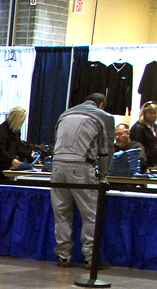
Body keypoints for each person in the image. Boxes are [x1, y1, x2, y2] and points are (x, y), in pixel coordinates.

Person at [50, 92, 114, 268]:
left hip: (56, 166)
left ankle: (63, 256)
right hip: (81, 167)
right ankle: (90, 257)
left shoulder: (65, 114)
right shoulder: (104, 117)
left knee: (61, 213)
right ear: (101, 104)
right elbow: (106, 148)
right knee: (90, 214)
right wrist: (103, 174)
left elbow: (56, 141)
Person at [0, 107, 31, 182]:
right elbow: (0, 151)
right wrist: (11, 160)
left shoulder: (15, 130)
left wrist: (29, 154)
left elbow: (18, 147)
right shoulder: (1, 131)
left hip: (6, 162)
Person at [129, 101, 157, 170]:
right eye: (150, 113)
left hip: (153, 164)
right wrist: (144, 166)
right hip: (142, 166)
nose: (153, 115)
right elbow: (137, 149)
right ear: (143, 113)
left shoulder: (155, 127)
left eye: (154, 113)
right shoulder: (138, 128)